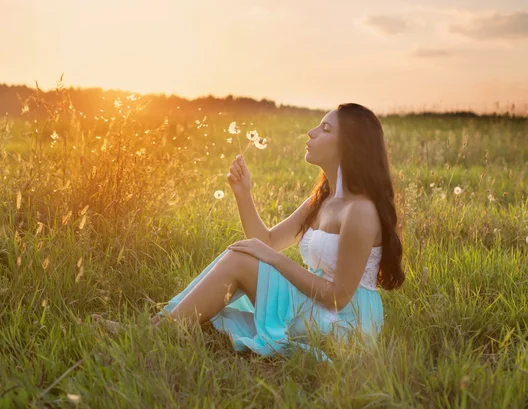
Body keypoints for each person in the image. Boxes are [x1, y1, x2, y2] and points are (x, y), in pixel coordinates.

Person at [95, 103, 405, 362]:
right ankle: (157, 328)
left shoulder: (360, 211)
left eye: (325, 129)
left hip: (345, 322)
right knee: (242, 253)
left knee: (244, 257)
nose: (311, 133)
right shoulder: (322, 200)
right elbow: (268, 240)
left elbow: (338, 296)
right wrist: (243, 193)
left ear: (351, 146)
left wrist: (274, 260)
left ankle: (149, 334)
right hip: (315, 306)